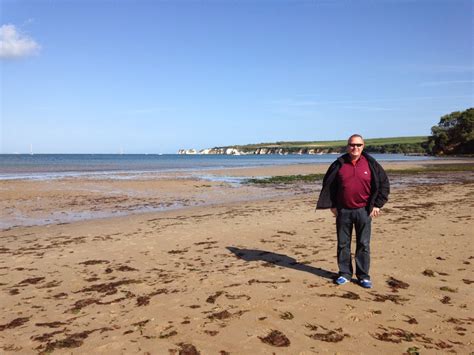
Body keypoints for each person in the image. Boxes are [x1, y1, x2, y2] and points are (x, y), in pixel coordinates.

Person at [316, 134, 390, 288]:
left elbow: (384, 183)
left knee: (363, 244)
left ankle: (363, 276)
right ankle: (345, 273)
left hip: (364, 210)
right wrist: (332, 205)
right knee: (343, 244)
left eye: (358, 145)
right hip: (343, 211)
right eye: (352, 145)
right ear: (347, 146)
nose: (355, 148)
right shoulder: (339, 164)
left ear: (363, 146)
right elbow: (329, 184)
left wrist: (377, 205)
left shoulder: (371, 164)